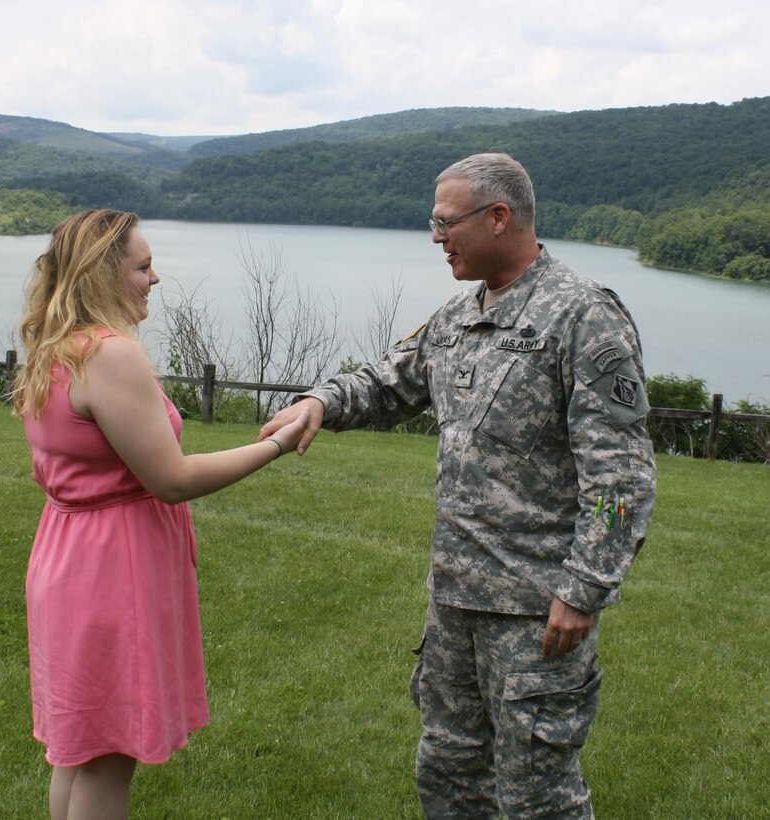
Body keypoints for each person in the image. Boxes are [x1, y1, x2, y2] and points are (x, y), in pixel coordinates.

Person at [260, 153, 656, 818]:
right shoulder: (456, 317)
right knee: (447, 775)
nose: (435, 236)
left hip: (537, 615)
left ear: (497, 218)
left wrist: (583, 587)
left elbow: (620, 474)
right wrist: (321, 402)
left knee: (538, 798)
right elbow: (386, 382)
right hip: (454, 605)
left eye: (445, 222)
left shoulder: (581, 317)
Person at [11, 209, 308, 820]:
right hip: (111, 572)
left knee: (80, 754)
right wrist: (275, 444)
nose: (155, 279)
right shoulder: (111, 355)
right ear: (104, 274)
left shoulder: (53, 347)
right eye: (143, 266)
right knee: (108, 759)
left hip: (69, 557)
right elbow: (171, 479)